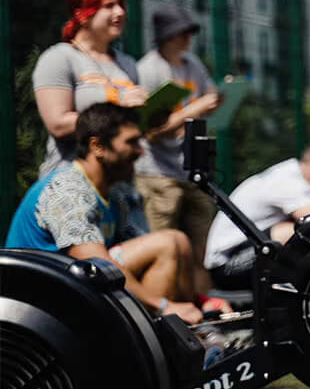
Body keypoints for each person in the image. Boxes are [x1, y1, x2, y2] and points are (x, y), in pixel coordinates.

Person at [6, 103, 203, 323]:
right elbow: (96, 263)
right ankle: (154, 342)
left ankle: (187, 330)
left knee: (177, 241)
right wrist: (165, 306)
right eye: (131, 142)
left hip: (74, 286)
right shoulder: (67, 190)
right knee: (166, 244)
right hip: (39, 304)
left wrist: (201, 302)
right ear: (97, 146)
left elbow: (138, 246)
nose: (141, 151)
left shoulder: (117, 192)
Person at [134, 5, 222, 294]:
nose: (187, 38)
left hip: (192, 170)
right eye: (181, 33)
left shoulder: (191, 64)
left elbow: (208, 96)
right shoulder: (148, 70)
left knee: (201, 250)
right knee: (165, 247)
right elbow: (151, 131)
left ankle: (202, 306)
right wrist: (193, 109)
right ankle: (166, 312)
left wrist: (218, 99)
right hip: (157, 173)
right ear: (166, 36)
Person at [33, 0, 147, 177]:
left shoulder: (127, 63)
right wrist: (119, 105)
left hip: (119, 183)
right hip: (69, 178)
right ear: (82, 14)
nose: (120, 12)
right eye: (109, 6)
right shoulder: (59, 57)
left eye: (120, 5)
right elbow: (58, 124)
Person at [204, 140, 310, 290]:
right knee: (299, 231)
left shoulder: (304, 180)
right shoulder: (287, 180)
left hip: (253, 253)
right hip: (226, 267)